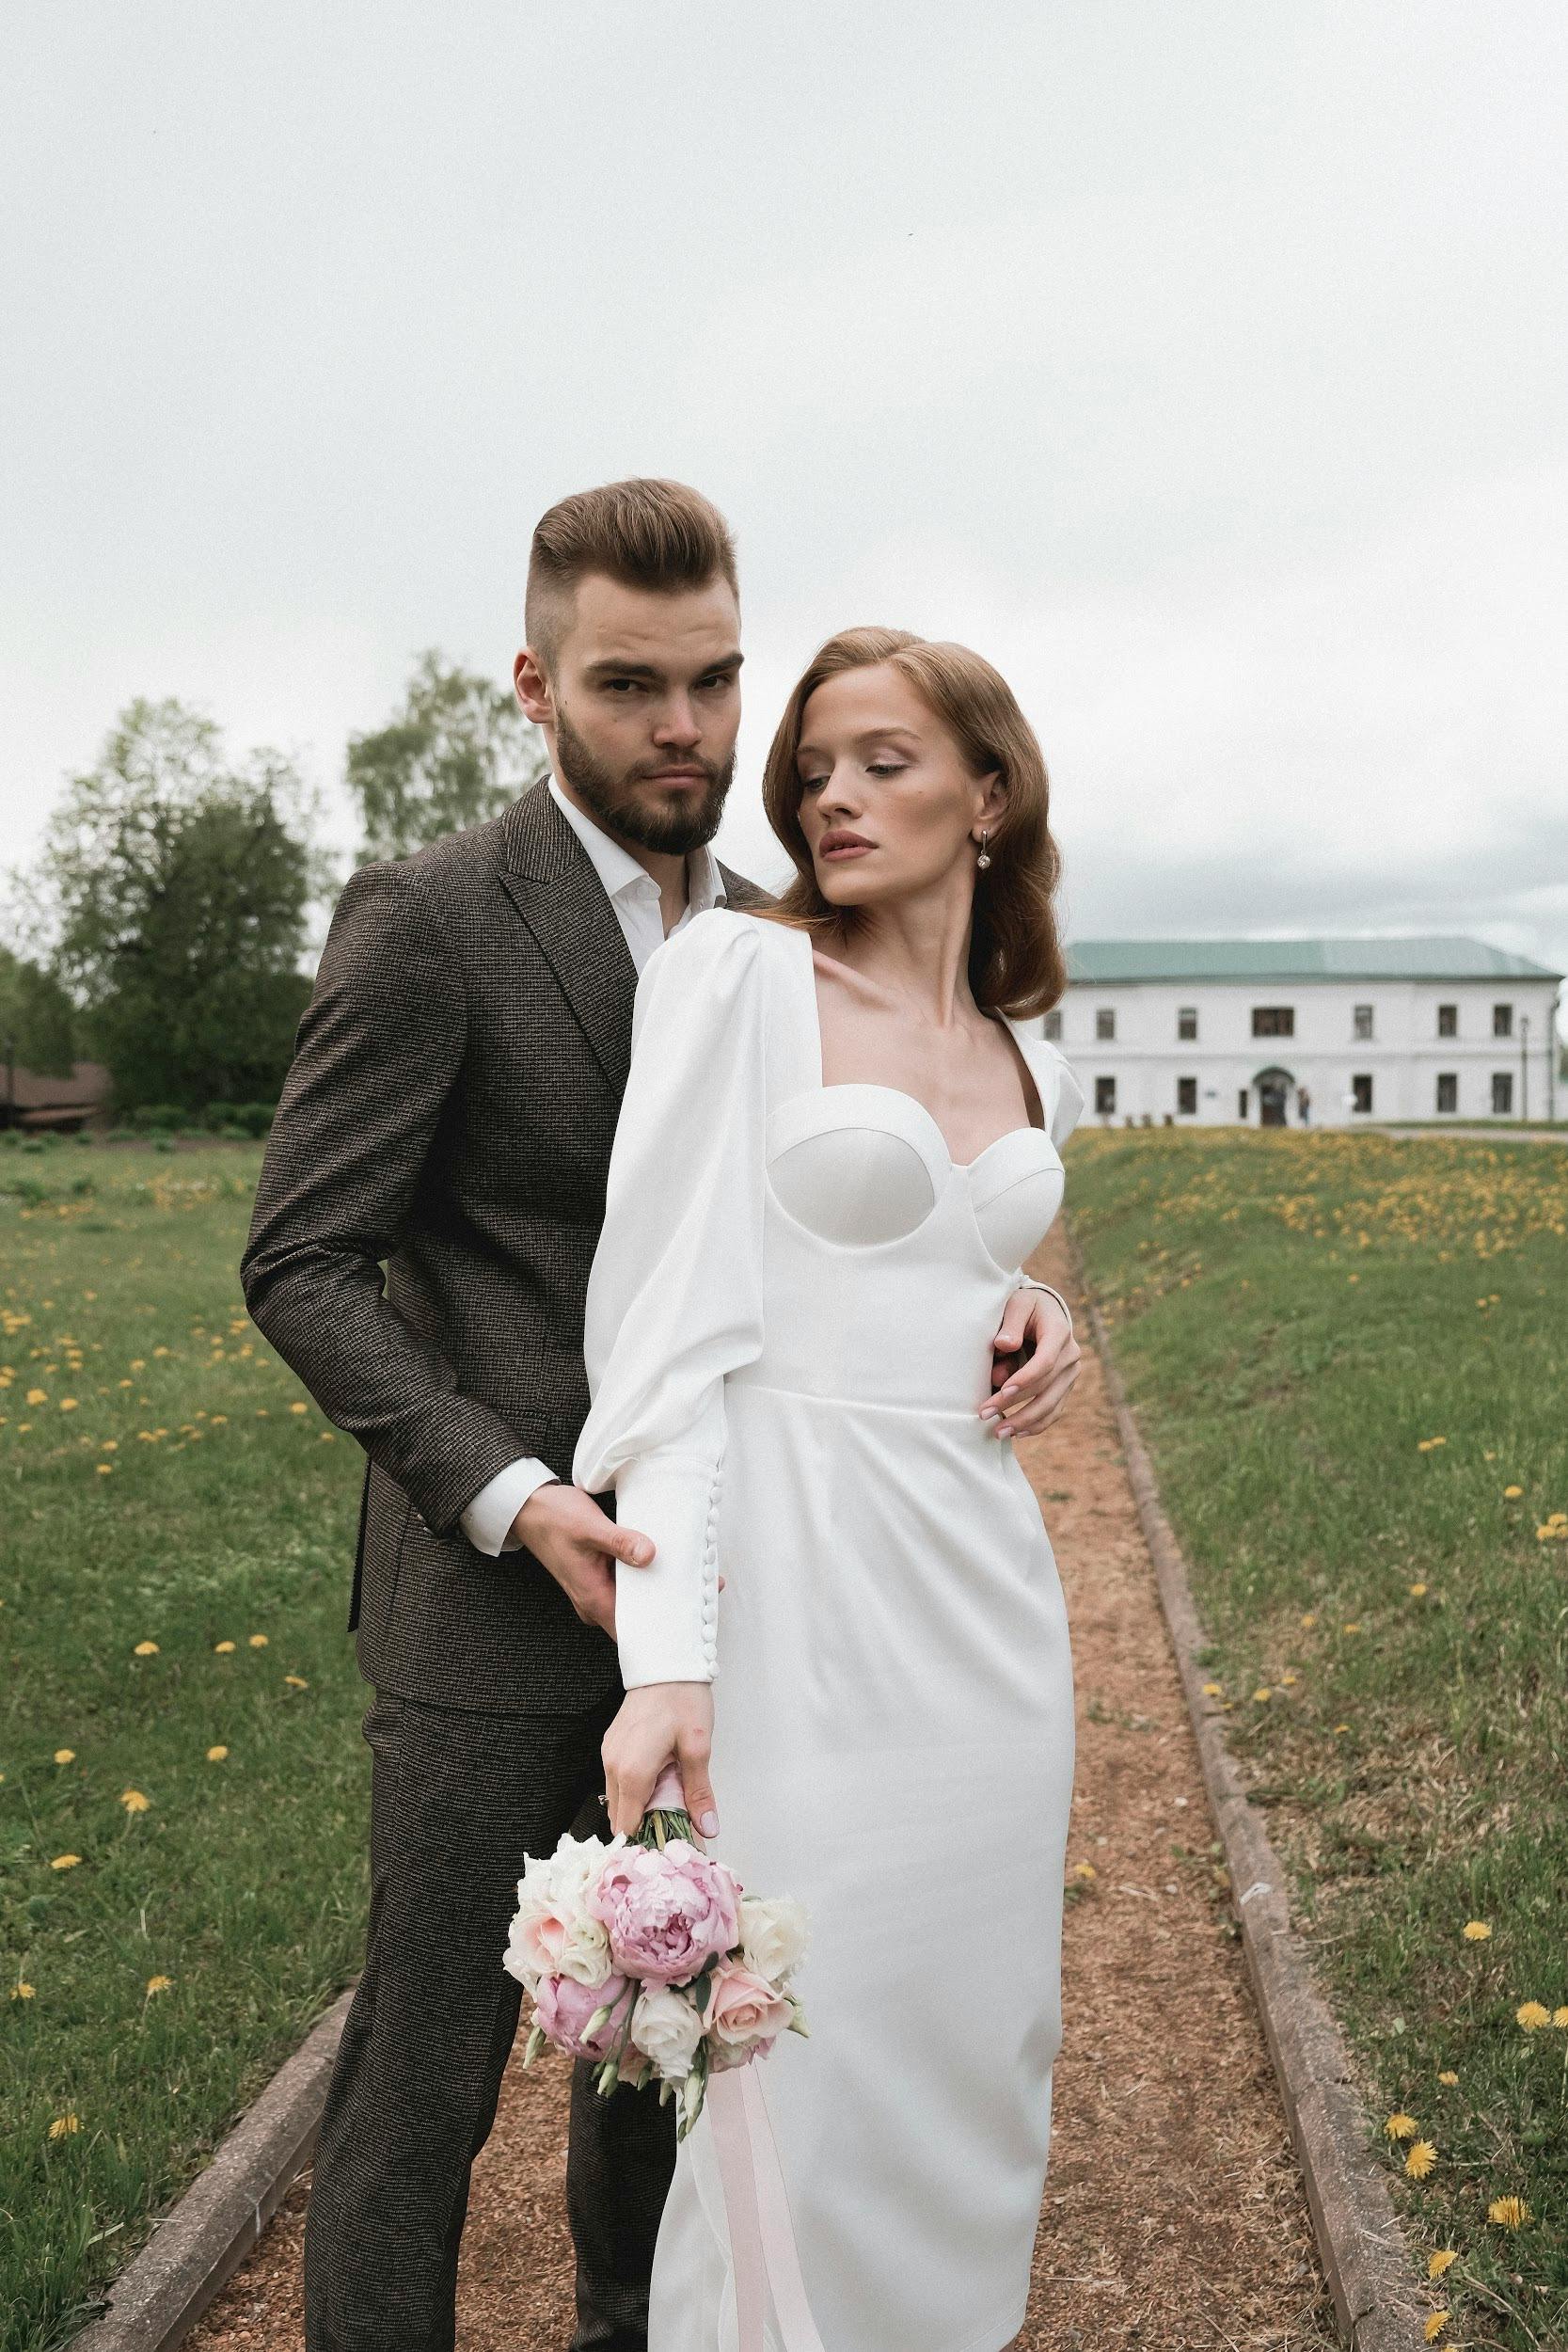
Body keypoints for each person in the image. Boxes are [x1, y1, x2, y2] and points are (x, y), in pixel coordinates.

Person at [240, 483, 1080, 2352]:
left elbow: (836, 1216)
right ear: (534, 686)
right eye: (632, 685)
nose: (684, 726)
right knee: (424, 2088)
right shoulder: (436, 918)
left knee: (682, 2075)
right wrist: (508, 1484)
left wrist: (1005, 1291)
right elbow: (301, 1257)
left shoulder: (791, 931)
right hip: (492, 1611)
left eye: (713, 682)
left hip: (750, 1605)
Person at [575, 626, 1085, 2352]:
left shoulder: (1032, 1052)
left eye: (886, 761)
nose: (834, 798)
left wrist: (1045, 1309)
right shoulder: (739, 977)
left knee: (975, 2028)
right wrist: (668, 1655)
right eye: (814, 771)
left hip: (987, 1603)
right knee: (798, 2051)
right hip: (804, 1584)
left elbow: (964, 1258)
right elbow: (665, 1341)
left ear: (991, 794)